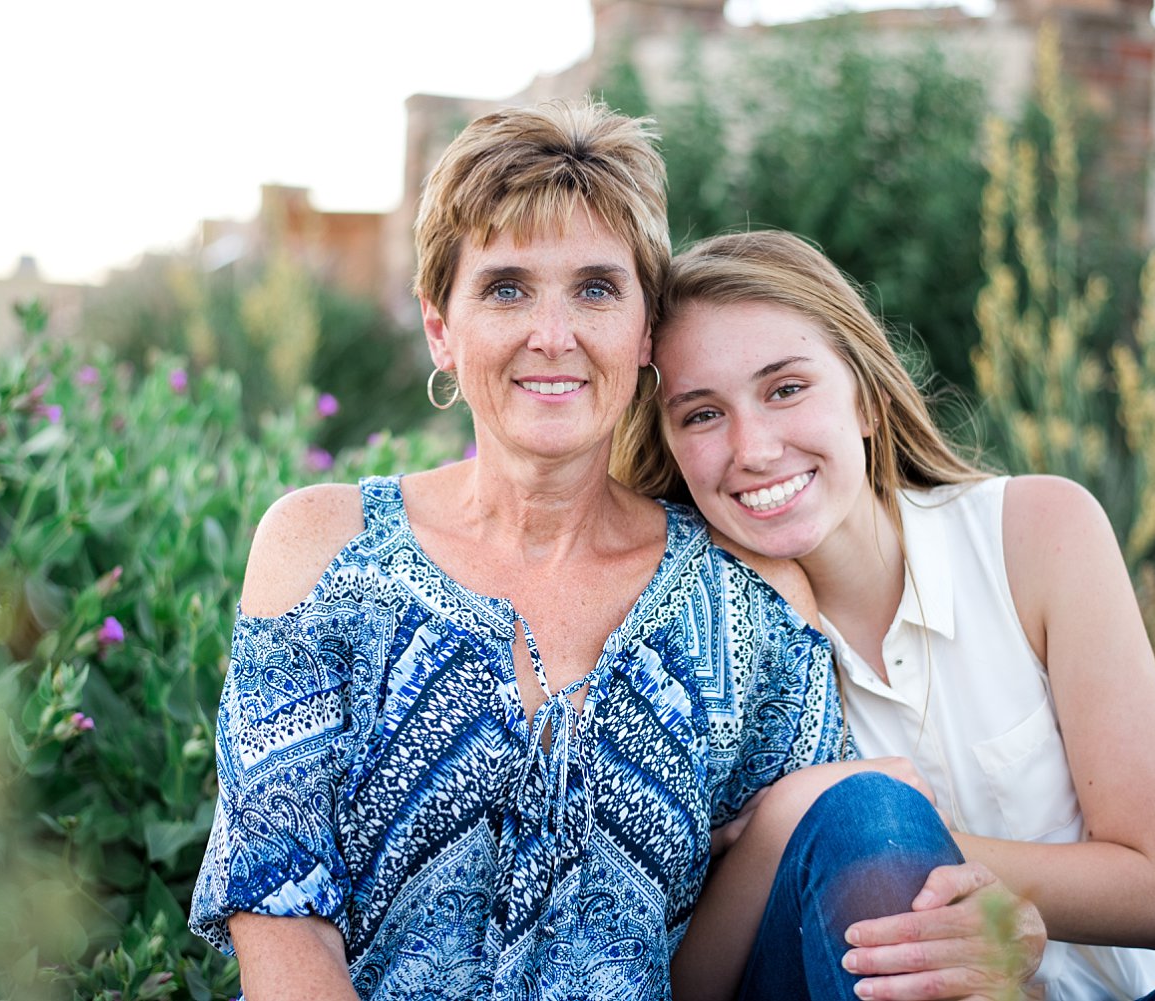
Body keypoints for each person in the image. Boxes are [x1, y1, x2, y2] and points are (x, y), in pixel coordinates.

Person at [187, 102, 1043, 1001]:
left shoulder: (742, 599)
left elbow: (781, 927)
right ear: (441, 325)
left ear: (644, 334)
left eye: (595, 288)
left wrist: (943, 891)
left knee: (869, 807)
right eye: (507, 287)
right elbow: (278, 911)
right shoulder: (326, 550)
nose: (553, 335)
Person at [612, 227, 1155, 1001]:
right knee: (864, 813)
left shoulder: (1038, 534)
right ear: (668, 441)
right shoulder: (690, 648)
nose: (754, 447)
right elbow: (688, 985)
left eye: (786, 388)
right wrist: (801, 825)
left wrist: (959, 881)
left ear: (864, 397)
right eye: (700, 414)